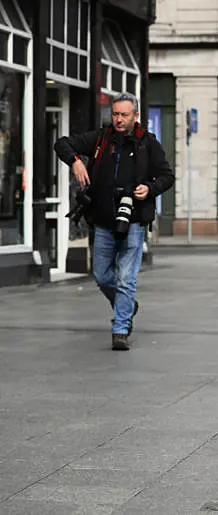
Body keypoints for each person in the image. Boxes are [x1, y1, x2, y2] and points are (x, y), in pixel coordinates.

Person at [53, 93, 174, 351]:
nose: (118, 120)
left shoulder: (148, 143)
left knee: (126, 278)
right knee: (101, 274)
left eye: (124, 115)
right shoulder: (101, 139)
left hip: (134, 221)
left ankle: (120, 328)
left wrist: (150, 189)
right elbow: (62, 143)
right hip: (104, 220)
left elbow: (167, 175)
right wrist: (75, 161)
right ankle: (127, 305)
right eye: (115, 114)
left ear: (136, 116)